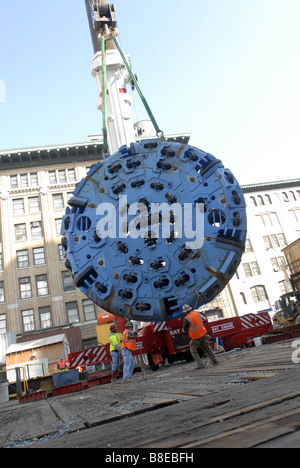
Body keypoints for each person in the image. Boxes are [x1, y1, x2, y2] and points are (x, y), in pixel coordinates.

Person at [182, 304, 219, 369]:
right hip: (203, 333)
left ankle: (200, 365)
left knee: (193, 350)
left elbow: (185, 329)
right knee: (207, 348)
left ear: (185, 312)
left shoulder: (186, 319)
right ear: (190, 309)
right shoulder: (197, 313)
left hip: (195, 337)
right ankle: (215, 361)